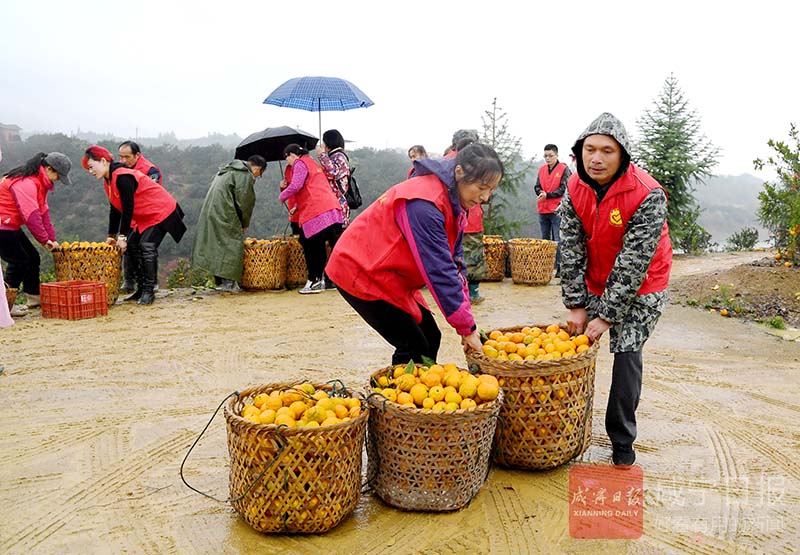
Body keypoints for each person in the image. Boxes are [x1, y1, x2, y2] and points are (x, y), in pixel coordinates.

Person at [559, 112, 672, 467]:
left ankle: (622, 440)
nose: (596, 158)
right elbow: (571, 246)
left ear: (622, 154)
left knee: (626, 352)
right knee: (573, 339)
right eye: (589, 149)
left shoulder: (647, 194)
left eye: (607, 151)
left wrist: (606, 316)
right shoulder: (574, 186)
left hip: (643, 284)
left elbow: (634, 262)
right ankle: (563, 427)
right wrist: (577, 304)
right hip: (596, 275)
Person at [326, 143, 504, 364]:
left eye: (491, 190)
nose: (485, 197)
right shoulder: (424, 203)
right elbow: (440, 271)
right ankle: (391, 396)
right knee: (414, 345)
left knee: (431, 337)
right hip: (360, 269)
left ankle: (415, 392)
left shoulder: (454, 203)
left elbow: (455, 264)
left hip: (390, 273)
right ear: (459, 172)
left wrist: (468, 324)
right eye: (481, 187)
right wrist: (466, 330)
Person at [82, 145, 186, 305]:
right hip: (145, 215)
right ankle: (141, 288)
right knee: (132, 246)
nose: (90, 171)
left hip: (160, 210)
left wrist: (122, 236)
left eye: (91, 167)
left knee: (147, 245)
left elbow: (127, 208)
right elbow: (115, 209)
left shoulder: (123, 176)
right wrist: (111, 235)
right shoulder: (108, 180)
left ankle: (149, 291)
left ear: (103, 161)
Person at [0, 152, 72, 316]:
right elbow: (31, 216)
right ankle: (5, 305)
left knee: (32, 257)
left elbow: (43, 214)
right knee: (19, 261)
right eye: (58, 176)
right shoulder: (26, 183)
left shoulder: (39, 183)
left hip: (10, 225)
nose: (57, 180)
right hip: (2, 225)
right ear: (48, 168)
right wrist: (44, 239)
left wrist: (51, 239)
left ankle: (33, 298)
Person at [191, 155, 267, 292]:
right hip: (225, 213)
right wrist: (244, 223)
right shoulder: (244, 174)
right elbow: (245, 202)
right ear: (258, 168)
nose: (257, 176)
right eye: (259, 174)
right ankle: (229, 284)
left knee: (217, 246)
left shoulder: (226, 171)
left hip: (211, 211)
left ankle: (220, 282)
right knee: (231, 246)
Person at [279, 143, 344, 294]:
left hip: (317, 211)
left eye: (286, 157)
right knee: (329, 245)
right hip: (332, 209)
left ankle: (314, 280)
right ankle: (333, 279)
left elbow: (296, 185)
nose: (287, 160)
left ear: (291, 154)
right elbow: (312, 187)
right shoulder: (312, 162)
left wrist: (282, 195)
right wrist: (298, 206)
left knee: (311, 245)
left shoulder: (299, 163)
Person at [118, 141, 164, 293]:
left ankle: (152, 282)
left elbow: (150, 194)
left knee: (147, 247)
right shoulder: (122, 170)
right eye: (121, 157)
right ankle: (130, 280)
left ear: (137, 155)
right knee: (128, 248)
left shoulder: (151, 171)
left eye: (127, 157)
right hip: (131, 217)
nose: (123, 161)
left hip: (149, 216)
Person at [448, 130, 486, 304]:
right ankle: (472, 292)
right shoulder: (476, 161)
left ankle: (453, 293)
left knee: (449, 256)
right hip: (470, 217)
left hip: (447, 218)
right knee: (473, 256)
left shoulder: (447, 158)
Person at [534, 144, 571, 277]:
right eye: (546, 156)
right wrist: (540, 192)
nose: (548, 158)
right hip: (543, 209)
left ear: (556, 155)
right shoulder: (542, 169)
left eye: (550, 156)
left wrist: (548, 195)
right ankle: (545, 268)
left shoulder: (563, 169)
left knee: (558, 240)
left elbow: (564, 188)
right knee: (545, 240)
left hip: (557, 210)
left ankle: (560, 269)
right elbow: (537, 186)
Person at [316, 129, 351, 229]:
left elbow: (333, 172)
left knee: (337, 236)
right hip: (332, 203)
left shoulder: (339, 156)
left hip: (339, 203)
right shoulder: (332, 156)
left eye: (324, 141)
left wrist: (322, 155)